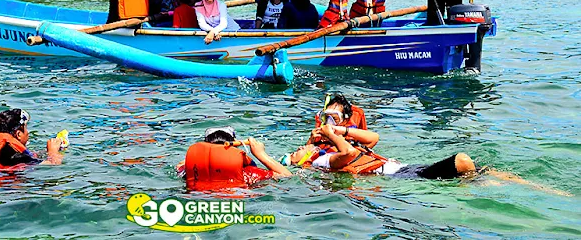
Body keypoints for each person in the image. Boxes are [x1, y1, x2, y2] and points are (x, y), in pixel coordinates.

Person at [283, 124, 476, 179]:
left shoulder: (325, 153)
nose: (298, 148)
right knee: (462, 160)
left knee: (476, 172)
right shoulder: (319, 162)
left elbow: (373, 138)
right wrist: (332, 136)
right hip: (401, 175)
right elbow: (350, 154)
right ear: (303, 162)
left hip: (405, 168)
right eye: (294, 153)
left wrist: (341, 130)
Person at [179, 126, 292, 190]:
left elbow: (180, 165)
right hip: (237, 201)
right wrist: (260, 154)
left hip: (197, 198)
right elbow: (287, 177)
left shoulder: (187, 171)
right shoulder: (247, 174)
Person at [0, 108, 64, 169]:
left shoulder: (3, 153)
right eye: (26, 128)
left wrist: (45, 152)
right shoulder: (20, 158)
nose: (27, 132)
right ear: (18, 134)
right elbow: (54, 165)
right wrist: (53, 152)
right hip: (13, 190)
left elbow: (29, 158)